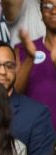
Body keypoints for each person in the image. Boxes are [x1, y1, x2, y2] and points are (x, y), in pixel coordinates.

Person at [15, 1, 56, 130]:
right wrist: (30, 58)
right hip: (36, 135)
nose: (53, 10)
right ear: (41, 12)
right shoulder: (23, 49)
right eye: (48, 6)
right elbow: (15, 92)